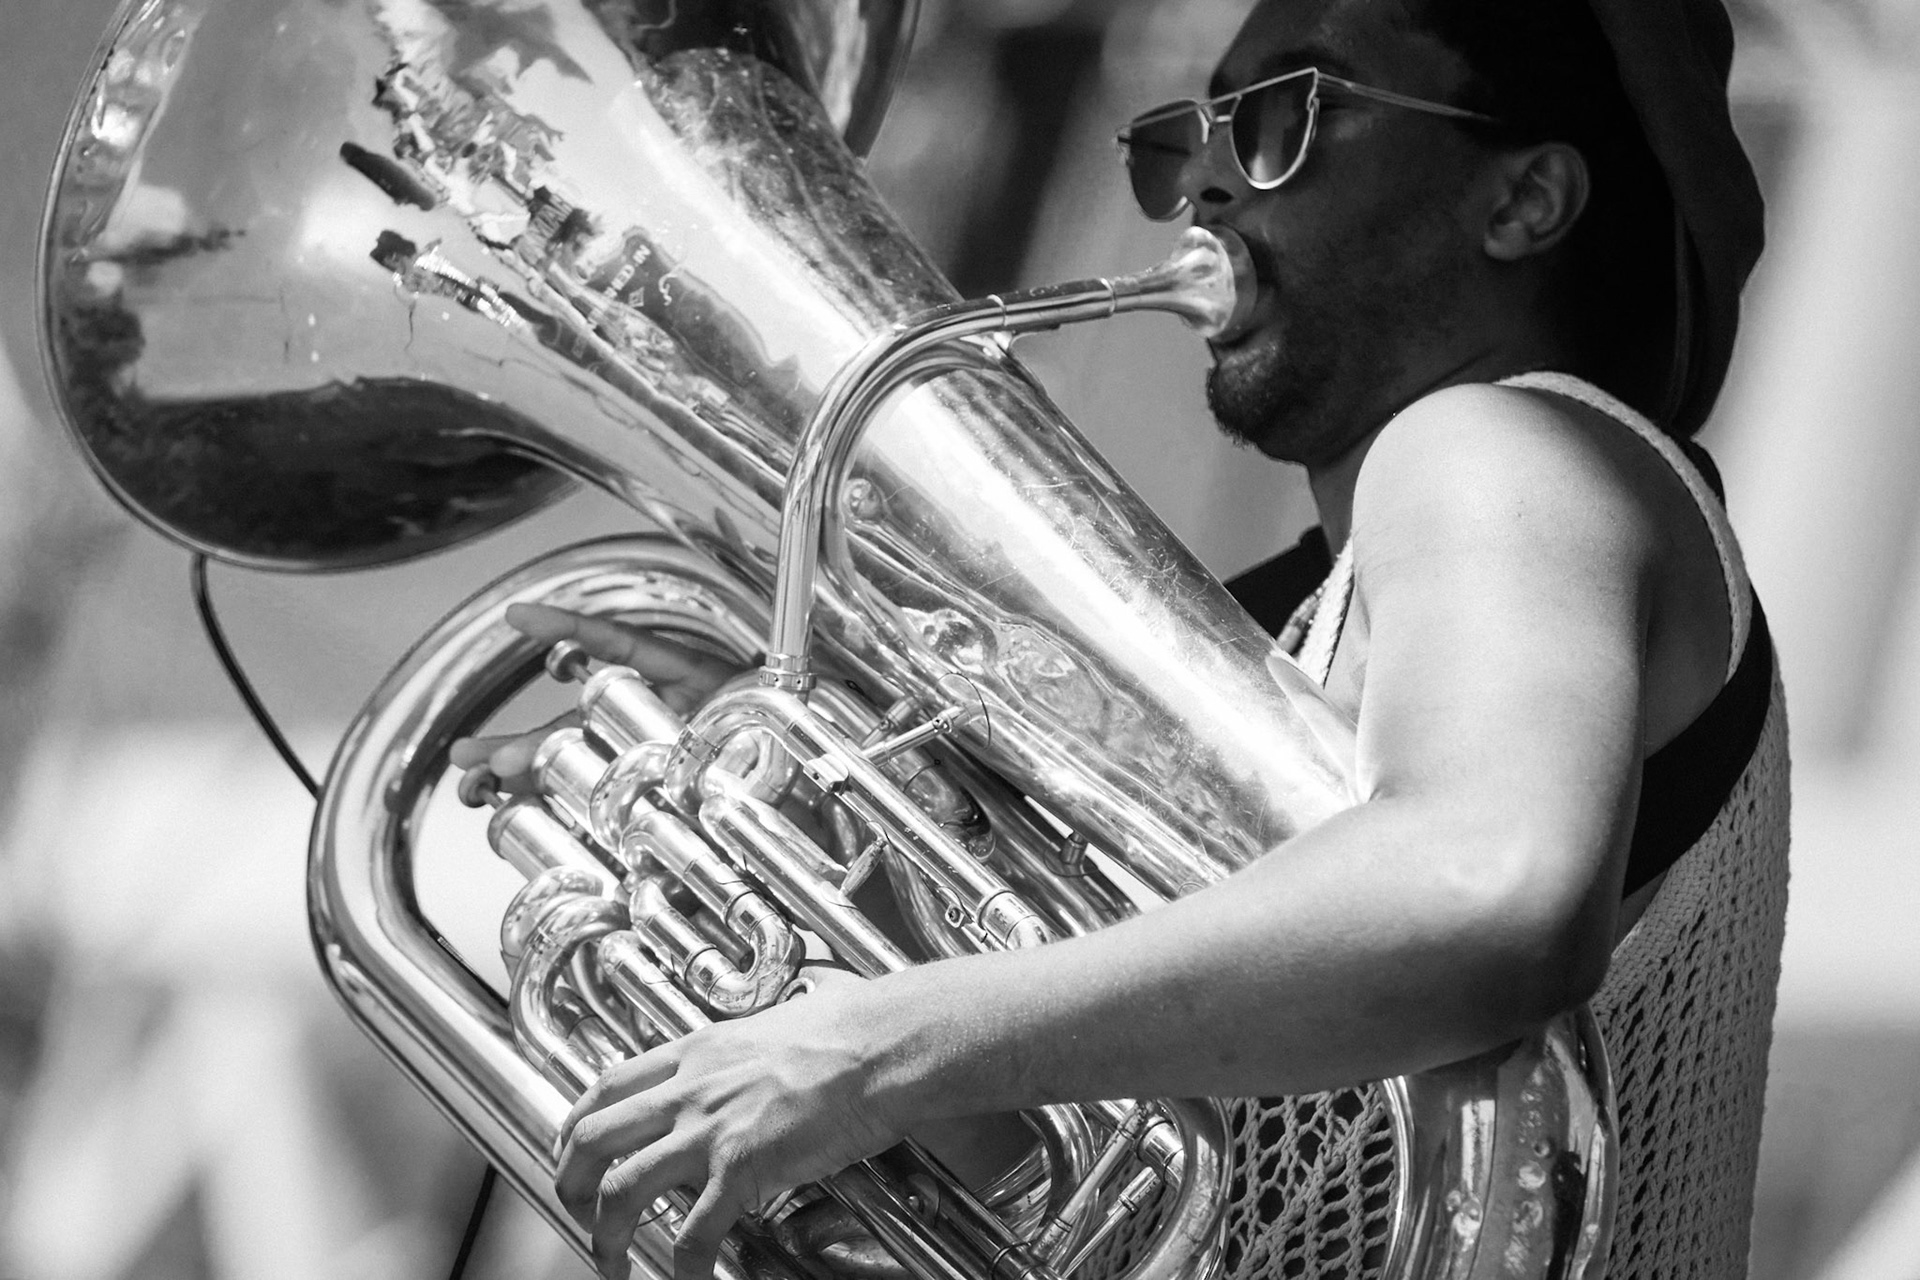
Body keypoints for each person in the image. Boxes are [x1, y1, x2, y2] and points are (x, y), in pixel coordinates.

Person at [454, 0, 1788, 1276]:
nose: (1203, 184)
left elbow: (1489, 887)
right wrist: (829, 822)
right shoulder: (1326, 617)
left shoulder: (1504, 446)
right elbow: (1131, 1187)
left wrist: (875, 1049)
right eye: (1183, 140)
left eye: (1281, 118)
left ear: (1523, 199)